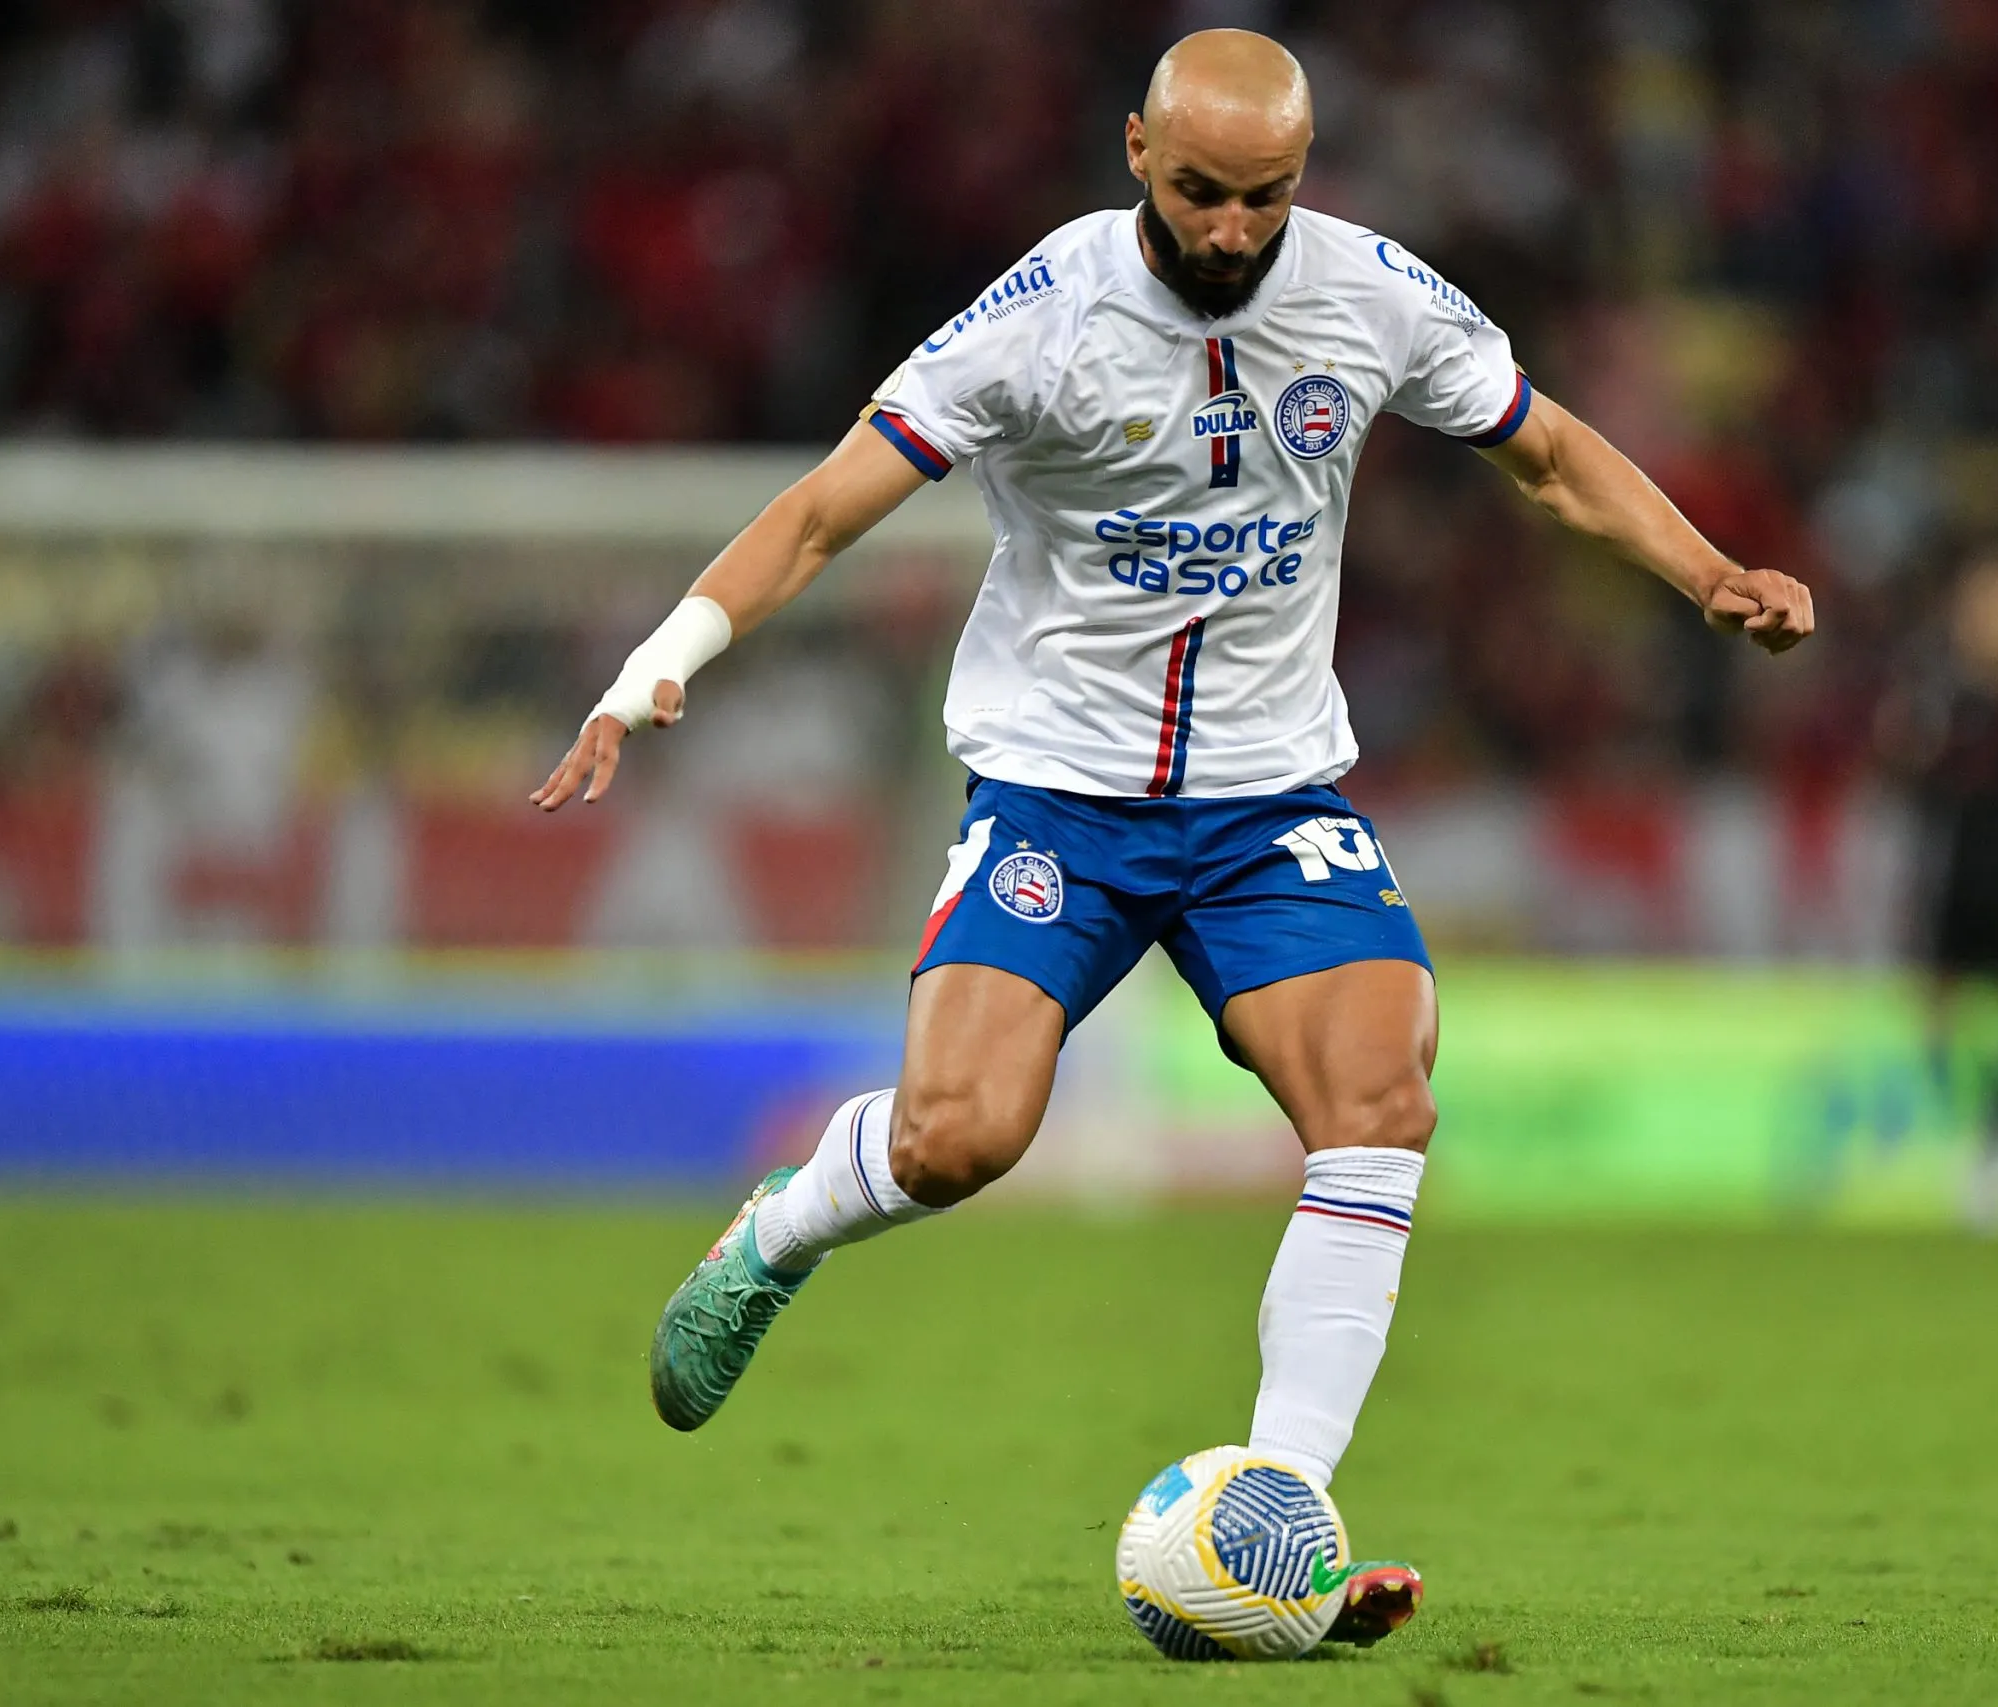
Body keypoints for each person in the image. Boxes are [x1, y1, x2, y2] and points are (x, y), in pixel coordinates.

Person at [532, 29, 1815, 1645]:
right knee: (959, 1138)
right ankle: (782, 1230)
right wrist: (660, 668)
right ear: (1136, 150)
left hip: (1273, 803)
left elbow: (1548, 453)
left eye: (1264, 199)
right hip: (1056, 793)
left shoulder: (1370, 295)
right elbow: (821, 511)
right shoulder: (1042, 317)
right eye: (1201, 192)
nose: (1230, 230)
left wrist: (1712, 577)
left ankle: (1278, 1516)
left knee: (1381, 1101)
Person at [1890, 553, 1998, 1232]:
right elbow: (1913, 778)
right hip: (1959, 870)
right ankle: (1961, 1135)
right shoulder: (1942, 701)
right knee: (1942, 1010)